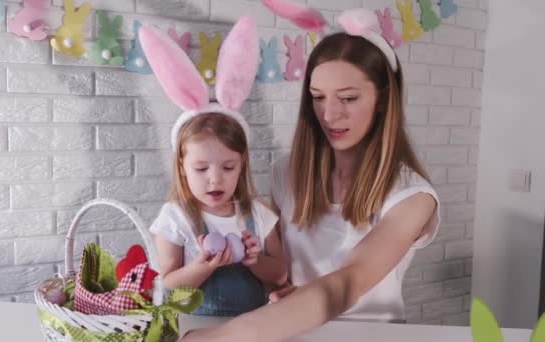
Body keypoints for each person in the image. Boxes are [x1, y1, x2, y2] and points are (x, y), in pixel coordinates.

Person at [181, 3, 440, 340]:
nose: (329, 114)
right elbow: (277, 267)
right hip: (295, 331)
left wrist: (215, 338)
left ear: (383, 100)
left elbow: (349, 280)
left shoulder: (413, 196)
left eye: (348, 98)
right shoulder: (285, 173)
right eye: (318, 97)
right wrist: (280, 284)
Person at [140, 16, 288, 317]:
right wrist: (200, 267)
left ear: (242, 164)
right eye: (201, 169)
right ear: (182, 166)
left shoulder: (258, 215)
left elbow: (281, 274)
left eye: (228, 167)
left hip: (252, 329)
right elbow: (166, 285)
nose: (215, 180)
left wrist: (254, 259)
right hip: (194, 329)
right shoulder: (176, 217)